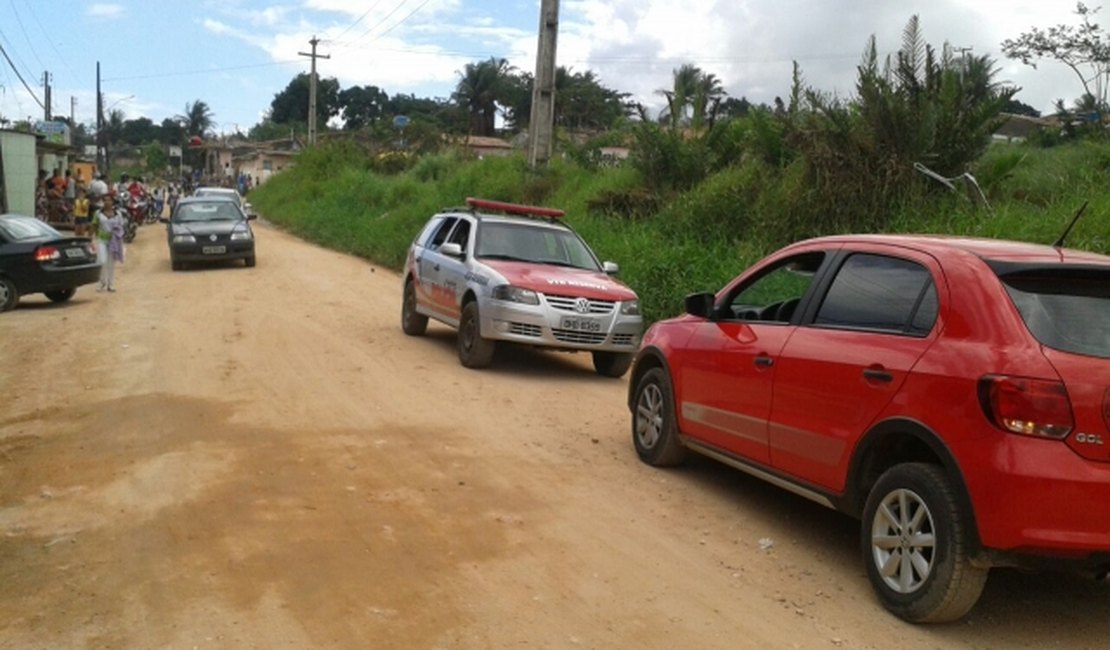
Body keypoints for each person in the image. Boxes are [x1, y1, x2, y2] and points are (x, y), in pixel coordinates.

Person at [95, 196, 124, 292]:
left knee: (111, 263)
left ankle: (110, 284)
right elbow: (94, 225)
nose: (107, 202)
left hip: (113, 241)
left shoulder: (117, 214)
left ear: (112, 202)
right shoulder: (98, 213)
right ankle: (102, 282)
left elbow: (121, 226)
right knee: (102, 261)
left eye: (109, 200)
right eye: (105, 200)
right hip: (101, 240)